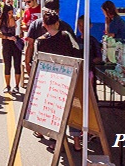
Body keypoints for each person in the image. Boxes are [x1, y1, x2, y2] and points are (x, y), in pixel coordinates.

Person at [35, 10, 82, 151]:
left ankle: (56, 141)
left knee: (54, 112)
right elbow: (78, 52)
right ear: (57, 23)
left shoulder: (41, 41)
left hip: (50, 82)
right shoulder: (66, 36)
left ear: (44, 25)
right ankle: (77, 143)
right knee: (72, 111)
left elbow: (37, 62)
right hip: (69, 79)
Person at [24, 0, 73, 75]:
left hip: (49, 68)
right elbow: (30, 45)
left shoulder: (36, 24)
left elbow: (30, 45)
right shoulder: (66, 26)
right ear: (58, 11)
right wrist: (27, 63)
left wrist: (27, 63)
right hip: (59, 68)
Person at [0, 4, 22, 94]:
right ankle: (7, 85)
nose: (11, 14)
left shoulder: (16, 19)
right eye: (9, 13)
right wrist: (6, 37)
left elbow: (21, 32)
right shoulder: (1, 20)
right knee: (7, 65)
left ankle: (17, 86)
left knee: (17, 64)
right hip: (6, 44)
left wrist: (18, 28)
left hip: (16, 43)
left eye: (11, 12)